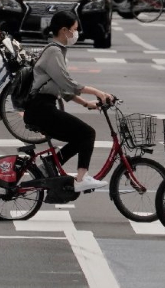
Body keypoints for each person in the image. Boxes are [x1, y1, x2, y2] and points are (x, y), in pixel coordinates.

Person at [24, 11, 115, 192]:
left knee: (79, 137)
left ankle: (48, 164)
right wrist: (97, 92)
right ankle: (81, 179)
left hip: (42, 107)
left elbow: (63, 90)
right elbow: (68, 83)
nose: (76, 33)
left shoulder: (57, 52)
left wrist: (86, 104)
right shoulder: (53, 52)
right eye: (74, 30)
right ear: (64, 30)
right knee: (88, 133)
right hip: (41, 108)